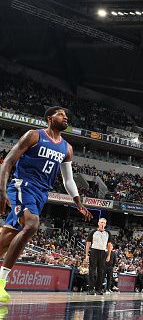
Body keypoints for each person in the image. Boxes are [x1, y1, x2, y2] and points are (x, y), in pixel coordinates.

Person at [0, 106, 92, 302]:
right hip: (22, 185)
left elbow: (68, 180)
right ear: (49, 119)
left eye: (67, 116)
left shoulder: (67, 148)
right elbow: (8, 162)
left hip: (41, 193)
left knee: (8, 237)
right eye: (61, 114)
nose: (65, 117)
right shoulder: (34, 136)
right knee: (32, 225)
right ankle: (2, 281)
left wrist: (78, 202)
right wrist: (1, 190)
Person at [85, 218, 113, 295]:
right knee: (92, 270)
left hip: (103, 252)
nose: (102, 224)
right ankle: (91, 289)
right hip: (94, 251)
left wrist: (109, 255)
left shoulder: (108, 233)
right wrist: (86, 255)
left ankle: (98, 289)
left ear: (105, 224)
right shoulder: (93, 232)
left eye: (104, 223)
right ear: (98, 223)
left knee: (101, 271)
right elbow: (88, 243)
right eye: (101, 222)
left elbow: (109, 245)